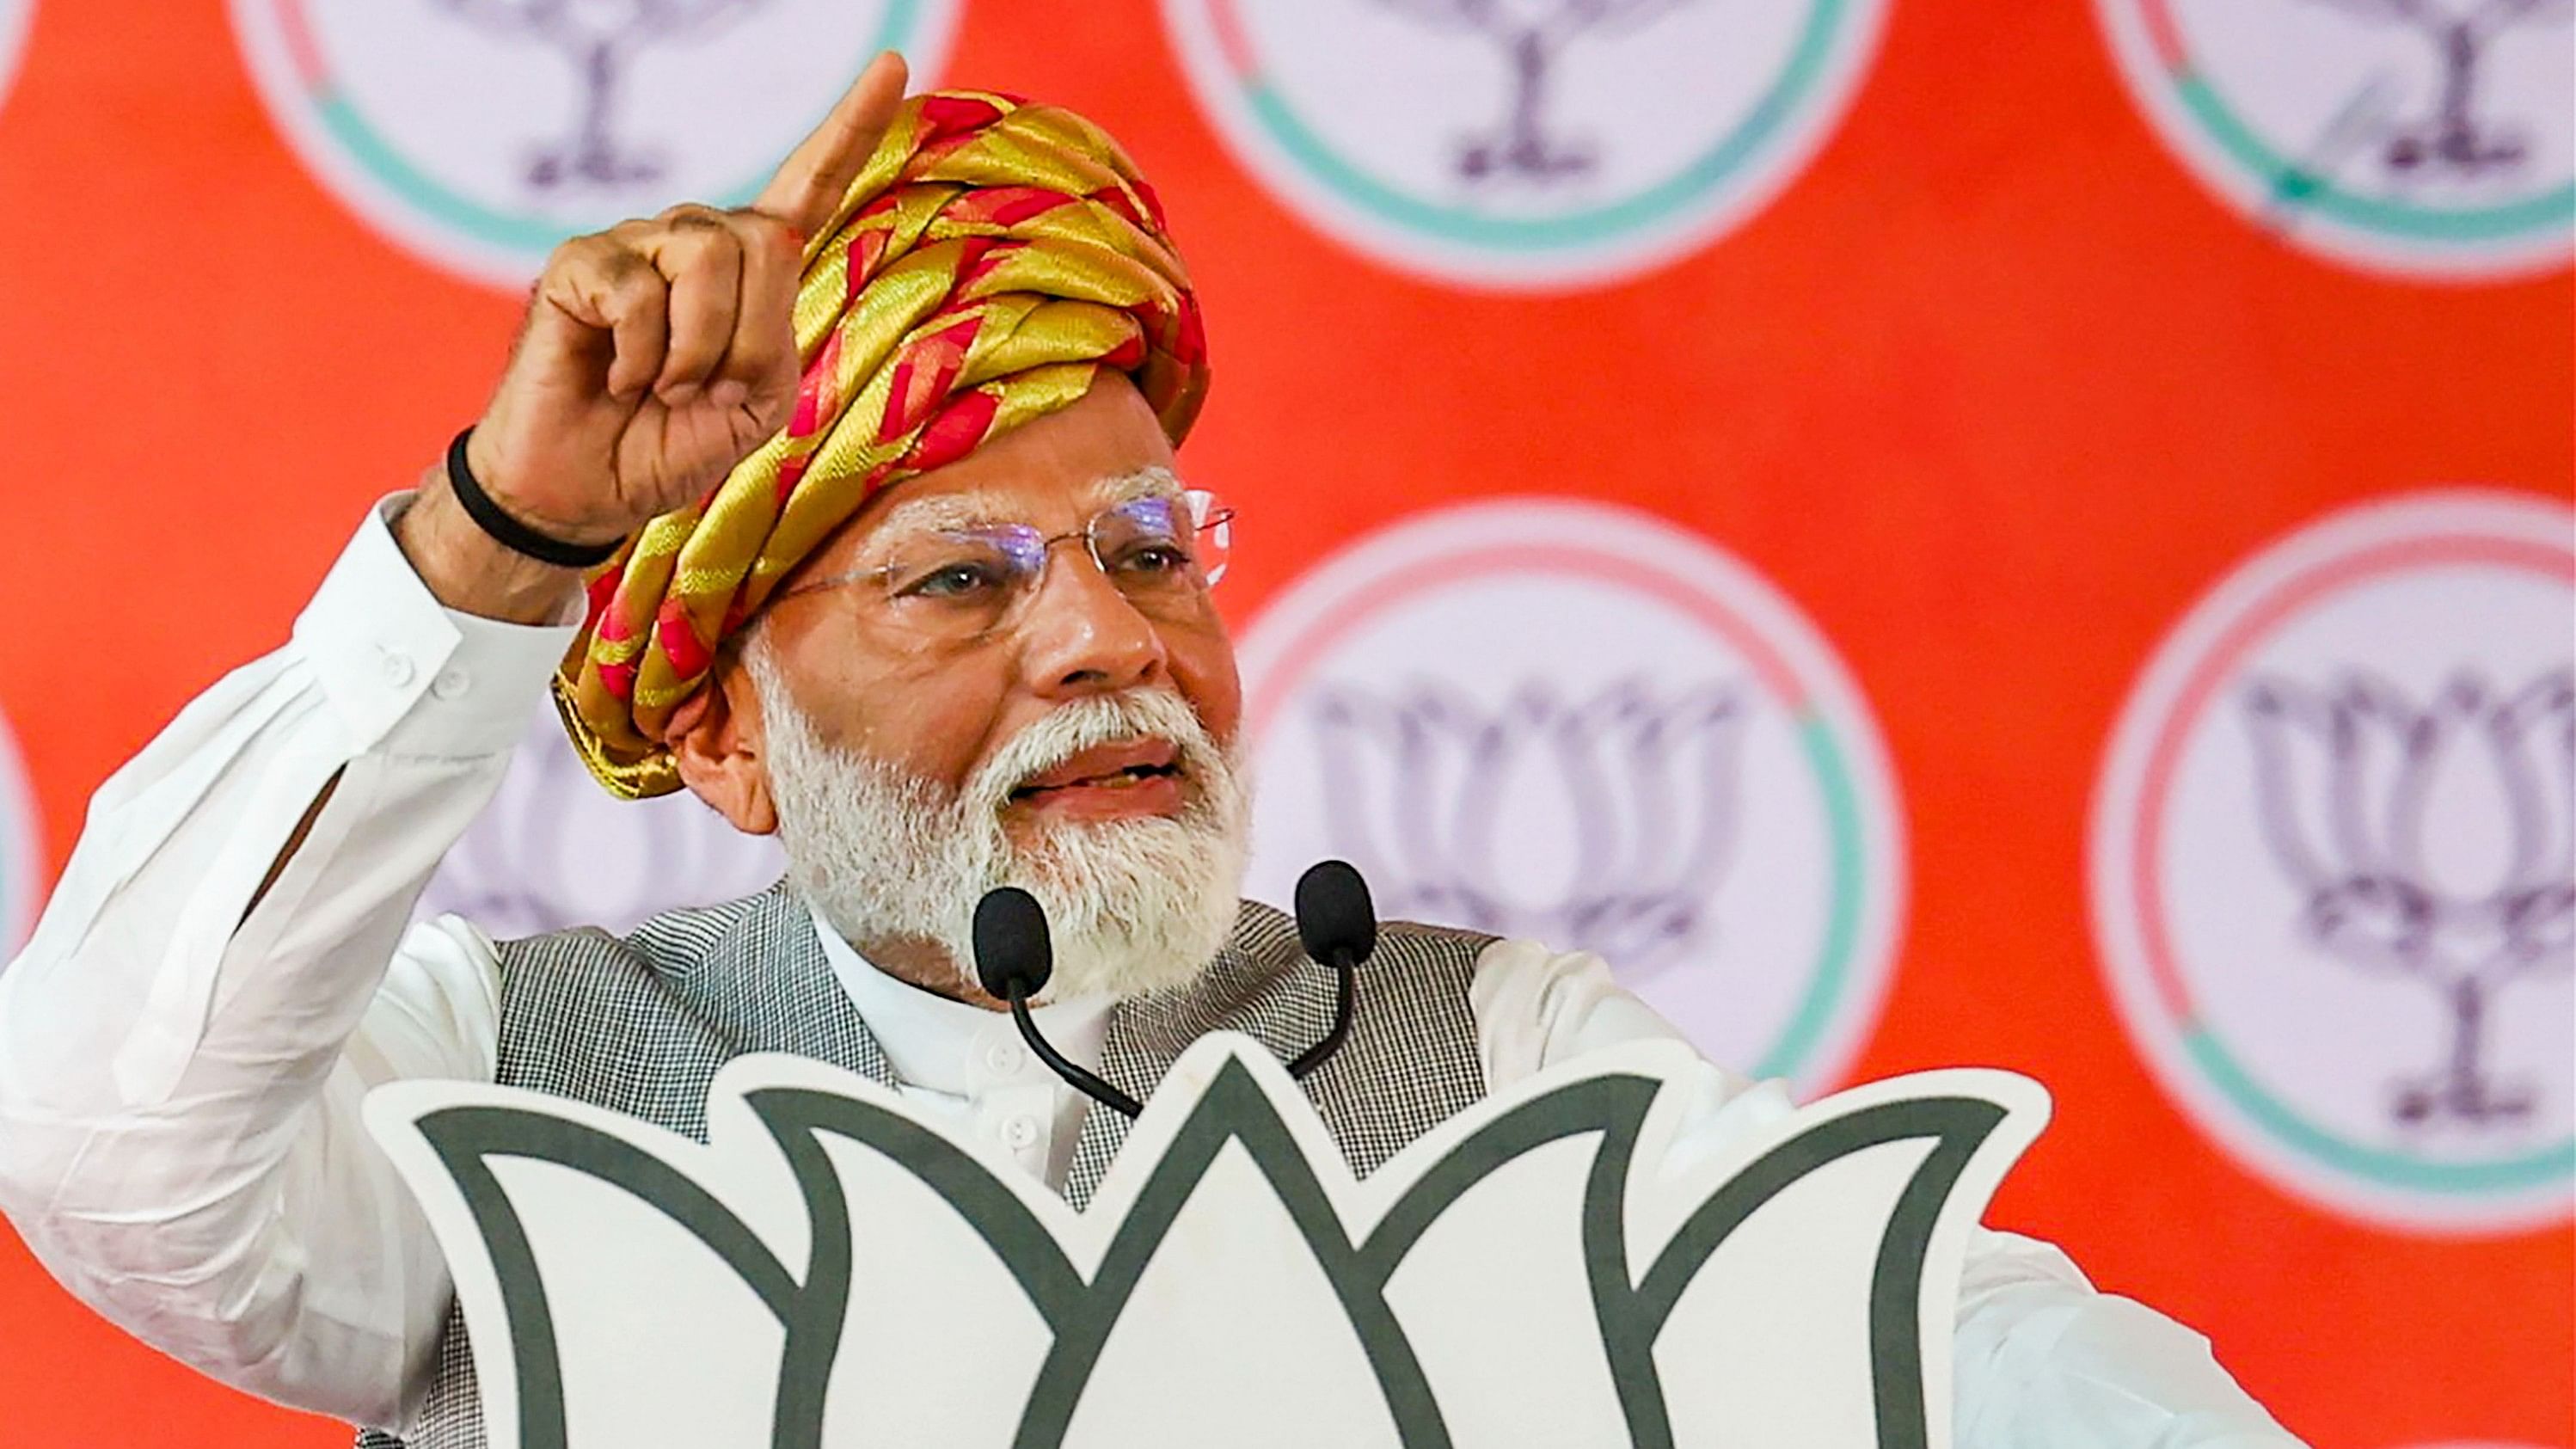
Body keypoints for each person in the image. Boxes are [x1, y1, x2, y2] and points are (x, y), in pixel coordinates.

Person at [0, 54, 2305, 1449]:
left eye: (1140, 545)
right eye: (961, 580)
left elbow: (1928, 1342)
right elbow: (103, 1142)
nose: (1109, 637)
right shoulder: (500, 1086)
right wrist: (494, 548)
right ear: (714, 732)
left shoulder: (1475, 1044)